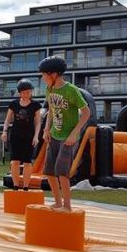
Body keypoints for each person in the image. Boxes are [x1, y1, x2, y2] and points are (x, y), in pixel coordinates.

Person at [39, 56, 90, 211]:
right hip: (54, 134)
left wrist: (75, 133)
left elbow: (86, 113)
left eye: (44, 75)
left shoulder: (71, 90)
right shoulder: (50, 89)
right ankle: (58, 202)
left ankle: (67, 206)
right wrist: (46, 129)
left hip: (68, 137)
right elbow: (50, 112)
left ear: (53, 74)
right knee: (49, 172)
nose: (42, 79)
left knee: (62, 171)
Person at [1, 79, 42, 190]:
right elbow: (7, 119)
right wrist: (4, 131)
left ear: (31, 92)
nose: (26, 94)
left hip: (29, 136)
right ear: (19, 93)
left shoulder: (36, 105)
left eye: (28, 92)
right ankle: (15, 185)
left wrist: (36, 136)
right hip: (15, 135)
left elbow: (38, 122)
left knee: (28, 162)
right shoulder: (14, 104)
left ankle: (26, 186)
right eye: (24, 92)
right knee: (15, 161)